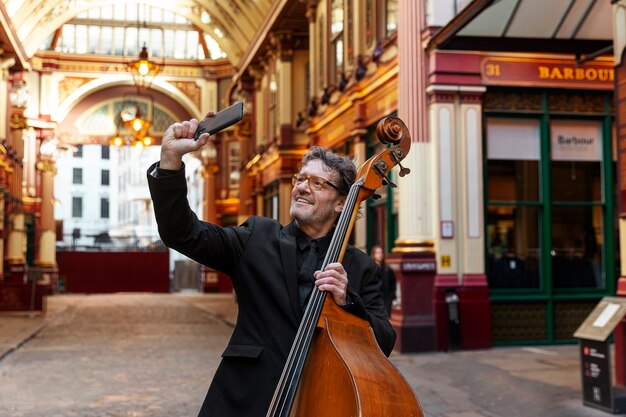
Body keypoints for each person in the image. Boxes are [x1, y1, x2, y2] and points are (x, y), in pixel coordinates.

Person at [147, 117, 395, 417]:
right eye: (300, 179)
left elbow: (383, 341)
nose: (303, 187)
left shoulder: (360, 267)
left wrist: (349, 301)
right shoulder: (256, 237)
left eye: (317, 183)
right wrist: (170, 160)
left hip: (322, 401)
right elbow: (181, 233)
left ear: (342, 203)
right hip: (247, 399)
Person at [371, 244, 396, 317]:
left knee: (385, 317)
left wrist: (391, 296)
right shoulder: (371, 269)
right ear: (374, 254)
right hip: (374, 298)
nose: (380, 255)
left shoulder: (388, 269)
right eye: (378, 253)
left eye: (381, 253)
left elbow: (393, 284)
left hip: (386, 298)